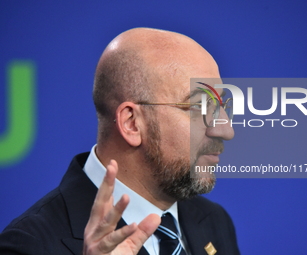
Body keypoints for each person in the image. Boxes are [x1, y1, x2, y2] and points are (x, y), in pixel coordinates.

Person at [0, 27, 240, 255]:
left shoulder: (213, 221)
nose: (226, 130)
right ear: (132, 123)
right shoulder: (29, 245)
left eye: (221, 106)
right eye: (199, 106)